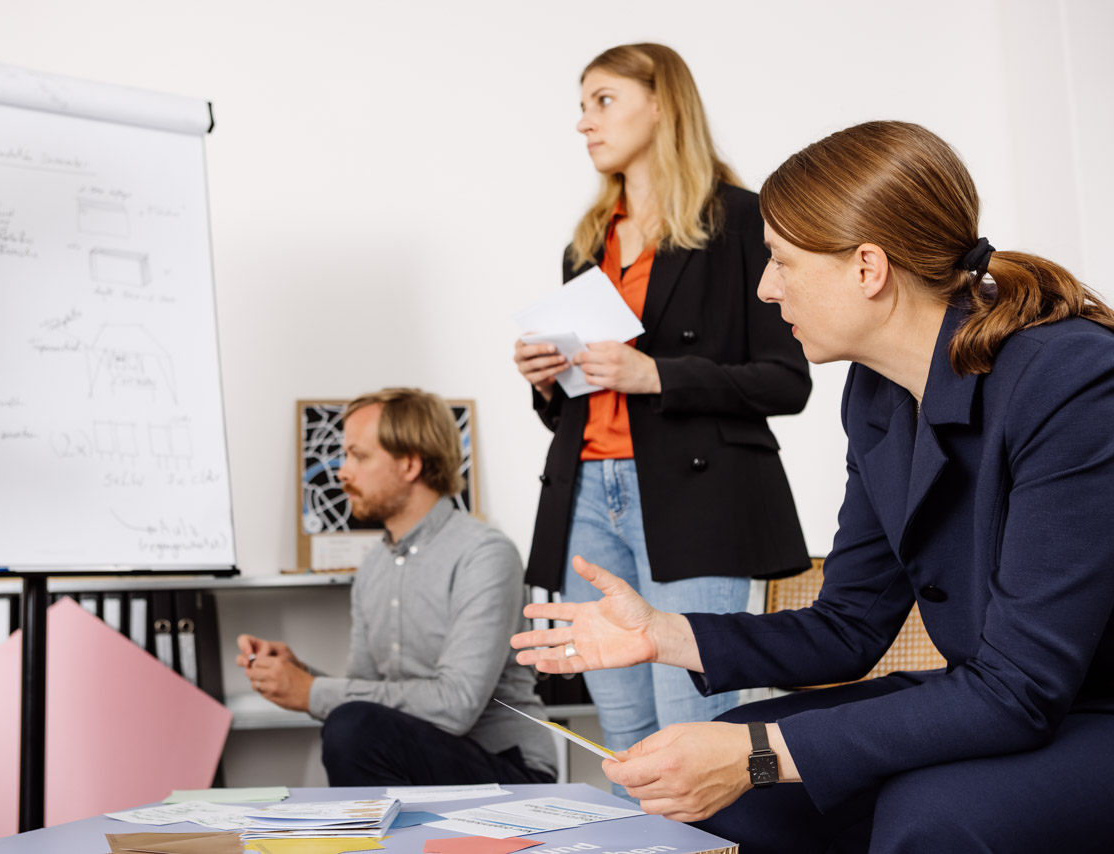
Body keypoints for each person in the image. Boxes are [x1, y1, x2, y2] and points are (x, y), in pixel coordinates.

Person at [511, 121, 1114, 853]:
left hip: (1077, 710)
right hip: (1000, 700)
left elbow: (1022, 688)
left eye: (781, 262)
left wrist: (761, 757)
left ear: (868, 268)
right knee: (705, 769)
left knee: (928, 811)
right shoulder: (875, 393)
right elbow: (849, 627)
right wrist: (663, 635)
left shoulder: (1072, 380)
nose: (766, 289)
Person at [512, 42, 810, 772]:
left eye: (603, 100)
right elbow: (575, 411)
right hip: (586, 495)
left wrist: (658, 376)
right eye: (581, 106)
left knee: (694, 732)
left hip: (695, 499)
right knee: (622, 743)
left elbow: (786, 379)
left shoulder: (742, 221)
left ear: (661, 103)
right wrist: (546, 381)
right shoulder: (587, 244)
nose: (585, 121)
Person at [237, 388, 556, 786]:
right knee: (350, 721)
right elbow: (370, 695)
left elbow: (456, 705)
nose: (342, 472)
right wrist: (299, 675)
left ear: (408, 465)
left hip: (508, 767)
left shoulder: (485, 553)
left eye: (359, 455)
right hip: (425, 756)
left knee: (351, 725)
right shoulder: (374, 565)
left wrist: (312, 691)